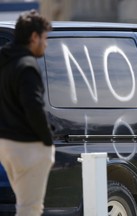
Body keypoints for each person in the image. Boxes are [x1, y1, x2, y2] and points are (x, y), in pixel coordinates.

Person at [0, 10, 55, 216]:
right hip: (27, 146)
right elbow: (33, 106)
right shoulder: (27, 66)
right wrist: (47, 140)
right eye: (44, 38)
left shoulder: (4, 61)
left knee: (23, 204)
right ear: (34, 37)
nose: (45, 44)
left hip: (5, 145)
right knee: (30, 208)